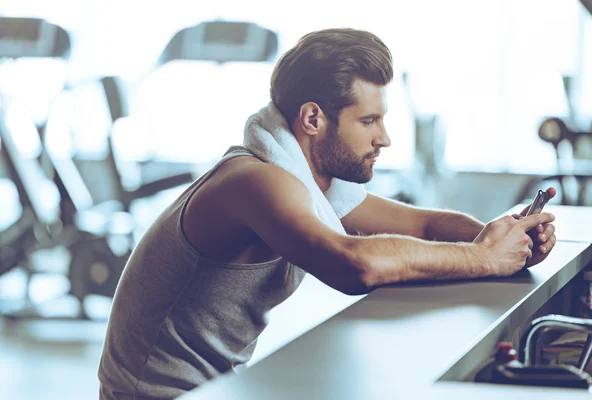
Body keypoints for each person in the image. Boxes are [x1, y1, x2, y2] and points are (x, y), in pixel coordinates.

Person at [98, 28, 556, 399]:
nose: (385, 139)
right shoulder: (254, 181)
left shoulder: (307, 176)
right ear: (313, 119)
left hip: (215, 388)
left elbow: (423, 224)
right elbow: (353, 263)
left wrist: (502, 240)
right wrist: (484, 259)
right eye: (368, 121)